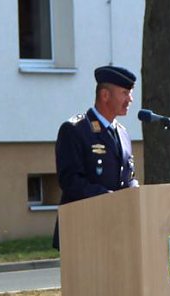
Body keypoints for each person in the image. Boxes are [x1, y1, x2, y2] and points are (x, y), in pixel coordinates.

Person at [52, 65, 139, 249]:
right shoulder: (75, 129)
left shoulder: (122, 133)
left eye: (130, 93)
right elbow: (70, 181)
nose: (130, 99)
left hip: (117, 230)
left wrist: (135, 192)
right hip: (83, 229)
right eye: (125, 93)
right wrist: (110, 198)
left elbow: (127, 177)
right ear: (105, 95)